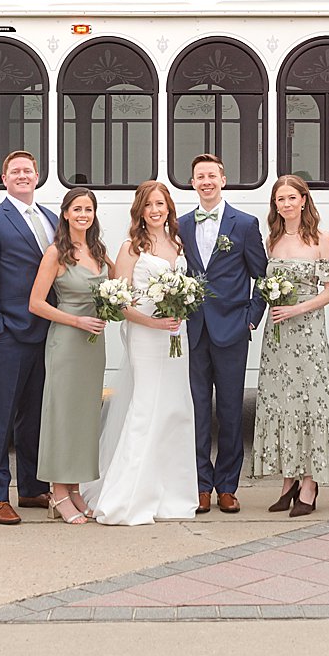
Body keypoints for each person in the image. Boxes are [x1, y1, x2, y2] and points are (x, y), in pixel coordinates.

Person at [83, 181, 198, 526]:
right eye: (149, 205)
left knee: (176, 408)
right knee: (146, 408)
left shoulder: (177, 243)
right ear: (140, 211)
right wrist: (152, 322)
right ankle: (128, 496)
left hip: (177, 336)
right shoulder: (131, 248)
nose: (155, 210)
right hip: (146, 338)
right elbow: (120, 302)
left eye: (160, 204)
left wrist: (180, 311)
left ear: (169, 208)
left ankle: (170, 495)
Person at [249, 175, 329, 516]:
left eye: (292, 197)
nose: (286, 204)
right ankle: (288, 479)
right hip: (276, 335)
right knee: (280, 402)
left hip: (307, 334)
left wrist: (296, 308)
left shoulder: (322, 239)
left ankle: (310, 482)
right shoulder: (272, 240)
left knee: (310, 403)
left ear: (304, 200)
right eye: (280, 199)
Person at [178, 153, 267, 514]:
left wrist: (251, 316)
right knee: (197, 411)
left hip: (232, 329)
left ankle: (227, 486)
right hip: (194, 330)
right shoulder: (181, 224)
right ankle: (200, 485)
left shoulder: (244, 224)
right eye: (200, 177)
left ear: (223, 179)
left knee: (231, 412)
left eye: (211, 176)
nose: (206, 182)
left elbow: (262, 275)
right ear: (193, 183)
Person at [0, 150, 57, 525]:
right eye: (15, 171)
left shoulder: (52, 218)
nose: (22, 175)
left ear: (37, 176)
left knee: (35, 415)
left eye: (28, 170)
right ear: (4, 178)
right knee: (1, 418)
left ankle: (33, 487)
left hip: (46, 334)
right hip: (9, 333)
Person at [29, 187, 110, 525]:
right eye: (77, 209)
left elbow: (122, 283)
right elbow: (36, 303)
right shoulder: (56, 253)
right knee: (62, 417)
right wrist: (76, 319)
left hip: (94, 348)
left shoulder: (99, 252)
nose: (83, 215)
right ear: (65, 214)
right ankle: (58, 492)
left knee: (84, 419)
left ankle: (75, 487)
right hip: (66, 342)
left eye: (88, 209)